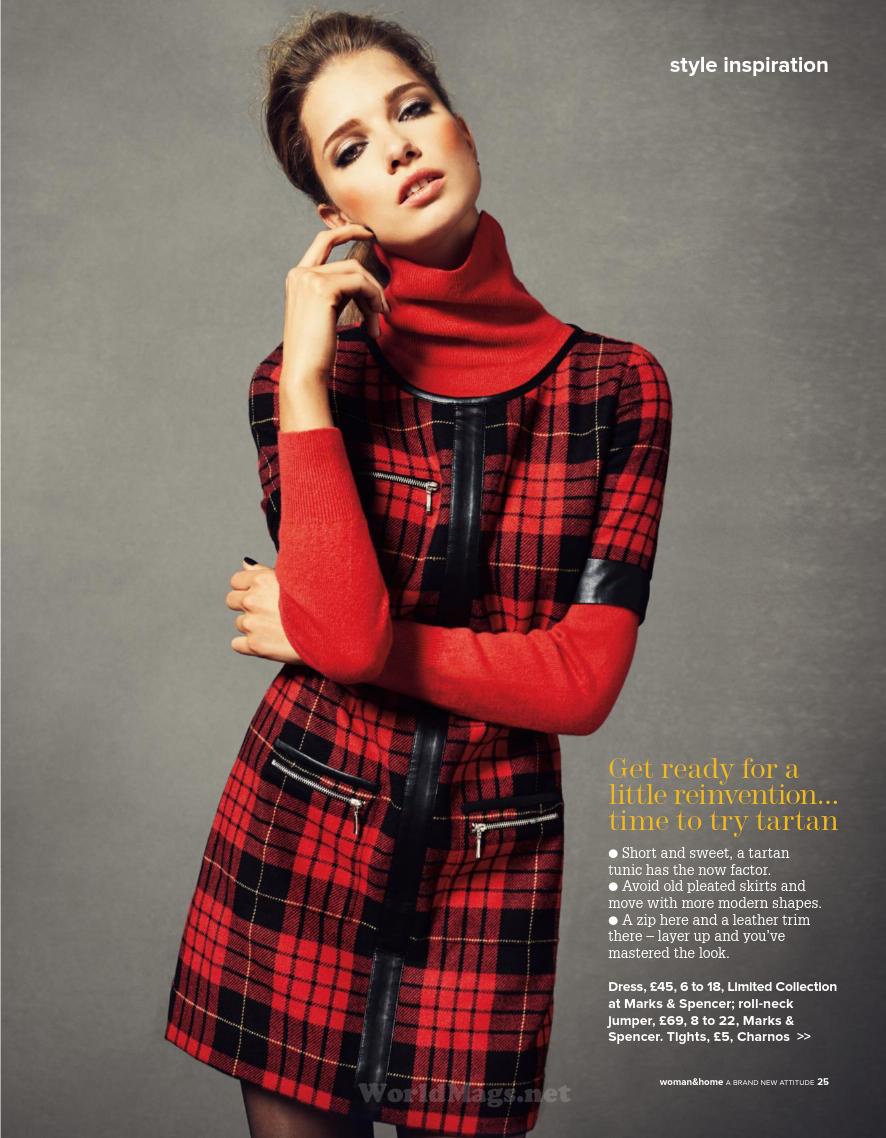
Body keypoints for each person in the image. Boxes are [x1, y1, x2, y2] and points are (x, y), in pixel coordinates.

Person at [164, 9, 672, 1138]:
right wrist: (307, 383)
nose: (395, 147)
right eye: (350, 148)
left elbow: (582, 684)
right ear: (333, 214)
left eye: (412, 109)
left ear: (460, 127)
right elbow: (346, 638)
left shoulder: (619, 389)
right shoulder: (299, 384)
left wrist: (321, 635)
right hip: (303, 830)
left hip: (495, 859)